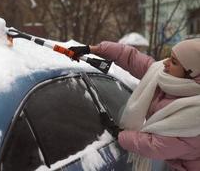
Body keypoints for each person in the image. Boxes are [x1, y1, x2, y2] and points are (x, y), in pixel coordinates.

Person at [68, 38, 200, 171]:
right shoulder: (164, 76)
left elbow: (155, 146)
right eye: (169, 57)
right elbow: (131, 57)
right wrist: (92, 49)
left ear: (191, 73)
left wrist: (119, 134)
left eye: (174, 62)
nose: (165, 63)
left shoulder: (194, 116)